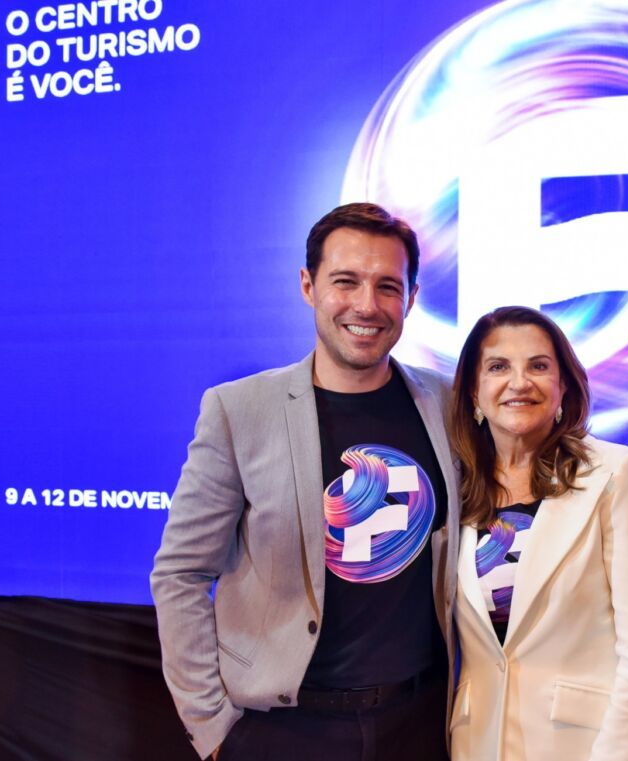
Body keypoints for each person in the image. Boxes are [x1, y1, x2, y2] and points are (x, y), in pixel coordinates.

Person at [150, 203, 459, 761]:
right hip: (285, 732)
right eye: (346, 281)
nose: (367, 305)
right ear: (308, 285)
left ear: (411, 298)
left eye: (388, 286)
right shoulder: (239, 410)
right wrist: (213, 729)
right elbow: (180, 573)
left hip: (420, 723)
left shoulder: (448, 403)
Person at [447, 305, 628, 760]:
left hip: (585, 746)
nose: (519, 382)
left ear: (563, 384)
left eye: (538, 366)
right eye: (498, 367)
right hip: (478, 745)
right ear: (474, 390)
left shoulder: (615, 473)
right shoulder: (455, 484)